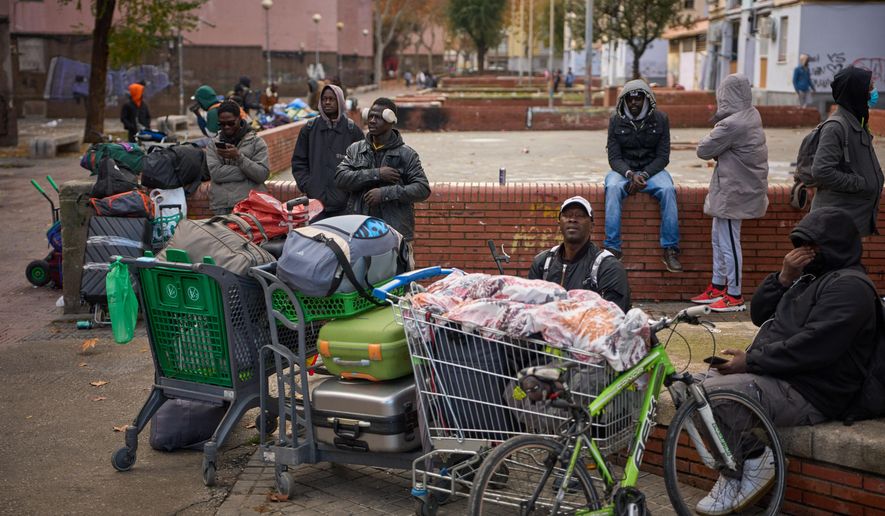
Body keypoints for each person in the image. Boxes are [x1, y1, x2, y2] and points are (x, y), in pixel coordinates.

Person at [690, 207, 878, 514]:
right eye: (802, 245)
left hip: (813, 390)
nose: (806, 253)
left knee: (711, 396)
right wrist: (783, 277)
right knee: (691, 390)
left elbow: (815, 346)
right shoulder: (806, 279)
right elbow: (760, 314)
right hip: (778, 376)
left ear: (835, 245)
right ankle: (738, 467)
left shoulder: (850, 286)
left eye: (813, 246)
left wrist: (750, 362)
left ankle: (753, 461)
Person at [691, 74, 769, 312]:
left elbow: (703, 150)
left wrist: (719, 147)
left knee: (729, 242)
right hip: (735, 187)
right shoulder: (751, 113)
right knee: (718, 237)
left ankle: (734, 294)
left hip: (735, 191)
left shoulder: (732, 124)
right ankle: (717, 285)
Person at [335, 98, 431, 270]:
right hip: (360, 233)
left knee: (400, 283)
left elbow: (422, 188)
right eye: (370, 116)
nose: (371, 120)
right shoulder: (355, 150)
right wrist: (376, 174)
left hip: (396, 235)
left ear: (390, 120)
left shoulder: (406, 155)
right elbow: (340, 178)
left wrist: (386, 193)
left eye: (378, 117)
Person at [603, 79, 682, 272]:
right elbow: (614, 158)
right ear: (624, 101)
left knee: (668, 190)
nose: (634, 103)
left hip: (652, 171)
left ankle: (670, 249)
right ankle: (613, 248)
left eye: (638, 99)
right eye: (630, 100)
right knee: (612, 188)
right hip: (624, 171)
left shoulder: (661, 119)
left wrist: (645, 174)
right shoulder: (616, 120)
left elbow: (663, 157)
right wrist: (630, 175)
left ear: (647, 100)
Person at [811, 65, 884, 237]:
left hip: (851, 220)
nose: (873, 93)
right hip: (836, 223)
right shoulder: (836, 127)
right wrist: (860, 183)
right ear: (857, 92)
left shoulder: (858, 122)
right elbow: (821, 171)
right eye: (870, 88)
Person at [528, 196, 631, 312]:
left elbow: (613, 320)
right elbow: (529, 311)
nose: (572, 219)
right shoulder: (542, 263)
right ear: (559, 223)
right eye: (567, 215)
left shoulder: (608, 267)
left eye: (580, 216)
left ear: (592, 225)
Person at [292, 84, 365, 219]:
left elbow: (363, 165)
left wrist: (349, 191)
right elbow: (298, 162)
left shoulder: (352, 130)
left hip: (344, 206)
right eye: (324, 99)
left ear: (340, 102)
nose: (327, 102)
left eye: (332, 99)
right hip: (316, 205)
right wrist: (308, 185)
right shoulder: (309, 129)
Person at [206, 100, 269, 215]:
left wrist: (239, 157)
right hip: (222, 207)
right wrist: (248, 173)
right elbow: (216, 174)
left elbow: (261, 175)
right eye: (222, 124)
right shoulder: (213, 145)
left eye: (230, 123)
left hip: (250, 206)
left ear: (239, 119)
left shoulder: (256, 142)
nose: (226, 127)